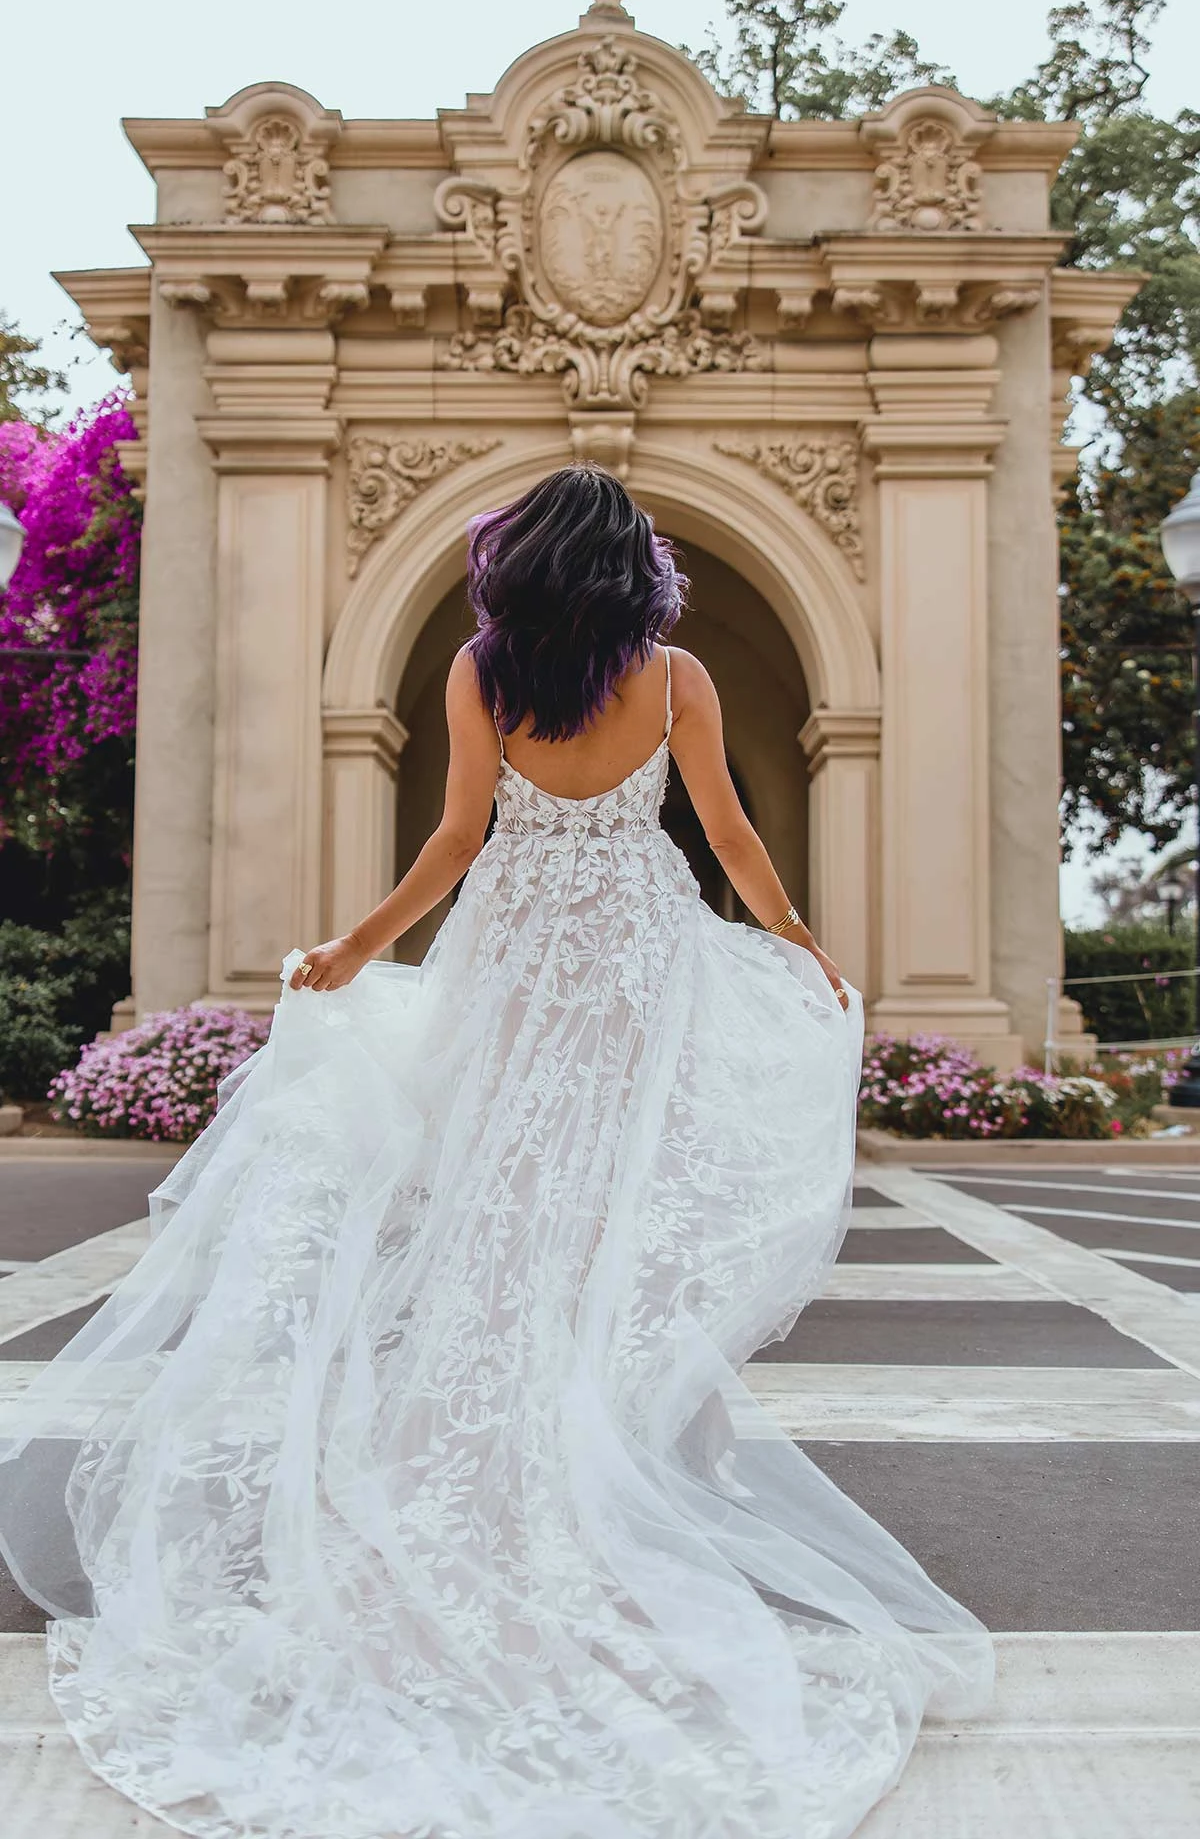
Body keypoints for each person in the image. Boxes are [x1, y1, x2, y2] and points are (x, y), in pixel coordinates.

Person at [0, 466, 992, 1838]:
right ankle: (587, 1450)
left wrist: (361, 941)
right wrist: (799, 943)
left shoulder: (485, 670)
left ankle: (486, 1471)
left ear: (526, 563)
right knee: (592, 1210)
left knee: (490, 1208)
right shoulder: (680, 678)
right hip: (631, 970)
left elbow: (459, 837)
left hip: (517, 961)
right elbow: (732, 837)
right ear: (629, 569)